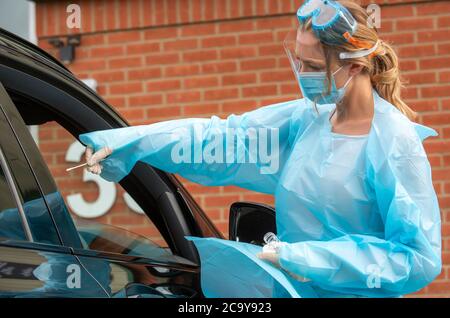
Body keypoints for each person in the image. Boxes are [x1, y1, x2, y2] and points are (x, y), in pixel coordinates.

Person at [78, 0, 441, 297]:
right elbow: (222, 141)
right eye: (298, 61)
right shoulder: (308, 122)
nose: (301, 73)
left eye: (312, 66)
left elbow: (417, 258)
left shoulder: (393, 142)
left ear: (357, 66)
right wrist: (134, 142)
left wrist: (304, 258)